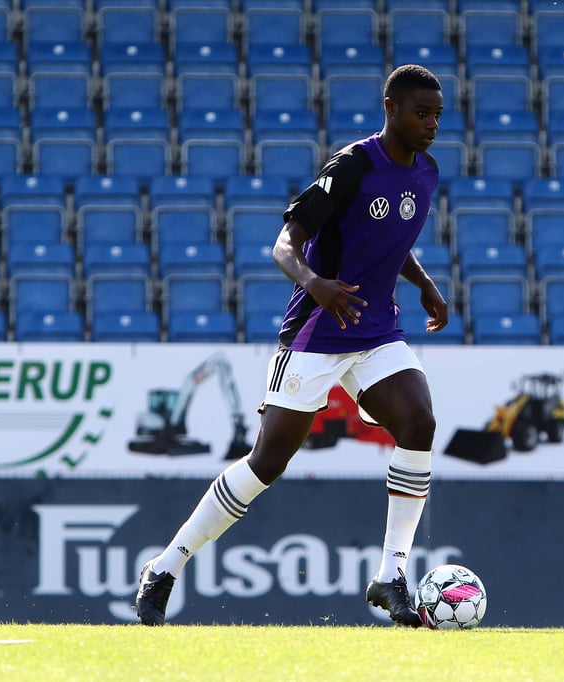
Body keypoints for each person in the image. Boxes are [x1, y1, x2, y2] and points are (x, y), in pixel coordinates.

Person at [134, 64, 447, 628]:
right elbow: (286, 242)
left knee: (419, 421)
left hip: (375, 328)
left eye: (437, 115)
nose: (431, 124)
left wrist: (424, 285)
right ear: (391, 109)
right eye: (421, 113)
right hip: (317, 329)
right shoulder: (352, 165)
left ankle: (391, 574)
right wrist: (315, 283)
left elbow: (388, 240)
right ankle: (165, 566)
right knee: (268, 461)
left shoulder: (426, 172)